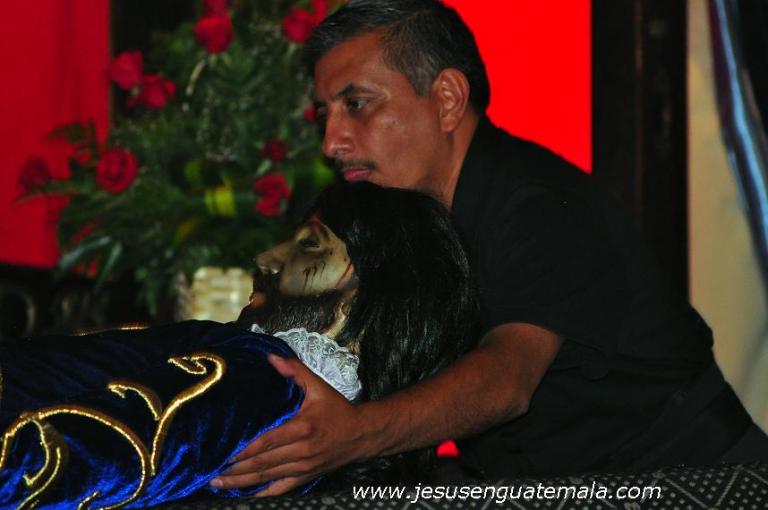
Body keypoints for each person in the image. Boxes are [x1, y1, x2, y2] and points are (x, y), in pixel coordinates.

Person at [214, 0, 768, 494]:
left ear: (447, 99)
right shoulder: (408, 221)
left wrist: (356, 434)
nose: (332, 141)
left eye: (356, 104)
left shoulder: (539, 204)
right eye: (324, 114)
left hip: (690, 479)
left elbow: (508, 380)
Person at [0, 182, 477, 507]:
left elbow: (67, 463)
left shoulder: (273, 383)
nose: (266, 259)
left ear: (361, 295)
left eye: (309, 245)